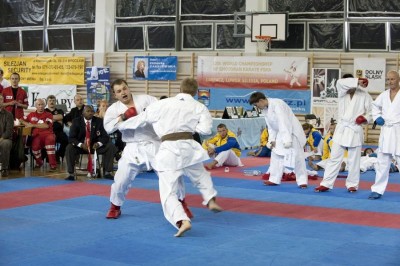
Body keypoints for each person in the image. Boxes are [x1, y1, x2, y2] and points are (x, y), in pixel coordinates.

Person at [118, 77, 222, 237]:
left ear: (179, 88)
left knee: (168, 190)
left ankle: (182, 220)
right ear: (195, 92)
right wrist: (190, 126)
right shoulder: (199, 106)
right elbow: (205, 130)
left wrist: (119, 125)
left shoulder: (162, 104)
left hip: (169, 149)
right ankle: (210, 198)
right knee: (200, 174)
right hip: (189, 146)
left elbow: (141, 120)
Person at [315, 74, 372, 193]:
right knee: (334, 158)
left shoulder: (364, 94)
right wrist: (358, 81)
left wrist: (365, 118)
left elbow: (371, 112)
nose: (348, 86)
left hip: (354, 128)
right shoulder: (341, 91)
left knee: (354, 160)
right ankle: (326, 183)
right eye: (348, 83)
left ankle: (352, 184)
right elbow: (340, 82)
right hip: (342, 129)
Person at [248, 92, 308, 188]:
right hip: (281, 132)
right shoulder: (265, 109)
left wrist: (287, 140)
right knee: (276, 153)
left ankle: (302, 181)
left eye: (256, 105)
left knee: (297, 157)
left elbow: (284, 122)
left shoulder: (277, 104)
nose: (256, 107)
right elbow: (271, 126)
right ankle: (274, 179)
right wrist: (271, 140)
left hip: (292, 132)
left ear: (261, 100)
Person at [369, 70, 400, 200]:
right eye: (388, 79)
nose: (390, 82)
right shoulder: (384, 94)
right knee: (382, 161)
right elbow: (375, 107)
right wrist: (377, 118)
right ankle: (377, 189)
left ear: (398, 79)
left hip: (398, 129)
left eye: (392, 79)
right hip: (387, 130)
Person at [65, 105, 118, 181]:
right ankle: (71, 174)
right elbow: (71, 138)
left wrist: (99, 144)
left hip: (95, 147)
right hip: (81, 147)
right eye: (88, 111)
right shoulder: (76, 121)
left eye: (92, 111)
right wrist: (81, 145)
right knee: (69, 148)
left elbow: (105, 137)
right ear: (83, 113)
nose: (90, 113)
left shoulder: (99, 121)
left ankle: (107, 173)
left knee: (110, 146)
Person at [19, 99, 57, 171]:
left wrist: (32, 125)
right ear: (35, 106)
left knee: (50, 142)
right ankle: (39, 162)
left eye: (42, 104)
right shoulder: (31, 114)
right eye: (39, 105)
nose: (40, 106)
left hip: (48, 134)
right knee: (35, 147)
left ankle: (53, 165)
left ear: (45, 105)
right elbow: (21, 120)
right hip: (36, 135)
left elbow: (46, 126)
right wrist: (27, 124)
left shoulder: (49, 114)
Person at [45, 95, 69, 162]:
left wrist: (48, 118)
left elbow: (60, 117)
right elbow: (44, 119)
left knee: (66, 140)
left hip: (58, 131)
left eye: (53, 100)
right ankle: (48, 157)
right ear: (47, 102)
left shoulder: (59, 110)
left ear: (55, 102)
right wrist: (56, 119)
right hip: (47, 132)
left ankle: (58, 155)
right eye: (50, 100)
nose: (51, 102)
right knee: (48, 141)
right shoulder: (44, 110)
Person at [0, 95, 14, 177]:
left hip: (5, 138)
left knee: (5, 144)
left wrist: (1, 138)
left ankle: (4, 169)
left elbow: (9, 131)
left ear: (3, 101)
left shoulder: (9, 115)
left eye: (1, 99)